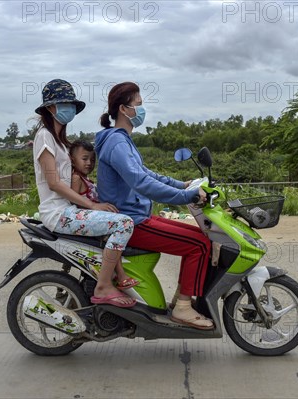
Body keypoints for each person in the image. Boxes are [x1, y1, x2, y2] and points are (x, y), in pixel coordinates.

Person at [94, 82, 214, 330]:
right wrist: (186, 197)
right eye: (138, 104)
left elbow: (147, 174)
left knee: (201, 235)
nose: (141, 109)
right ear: (123, 109)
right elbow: (141, 183)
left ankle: (182, 299)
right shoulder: (117, 143)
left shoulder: (123, 141)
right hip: (131, 222)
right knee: (200, 244)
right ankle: (182, 308)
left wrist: (182, 185)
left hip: (137, 216)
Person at [32, 79, 136, 308]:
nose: (69, 109)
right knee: (124, 224)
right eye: (64, 103)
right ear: (51, 107)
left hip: (67, 210)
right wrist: (92, 206)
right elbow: (54, 183)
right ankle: (104, 286)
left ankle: (112, 278)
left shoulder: (60, 141)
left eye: (71, 104)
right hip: (57, 213)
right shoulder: (44, 137)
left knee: (116, 218)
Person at [69, 140, 139, 290]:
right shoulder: (76, 178)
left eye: (92, 160)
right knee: (114, 238)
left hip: (92, 217)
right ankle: (120, 276)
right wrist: (95, 209)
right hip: (87, 219)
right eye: (84, 159)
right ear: (72, 161)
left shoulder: (86, 179)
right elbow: (74, 201)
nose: (89, 163)